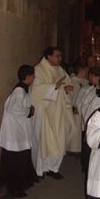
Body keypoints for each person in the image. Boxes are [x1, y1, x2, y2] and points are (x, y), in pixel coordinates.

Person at [30, 46, 77, 178]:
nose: (60, 58)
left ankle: (53, 168)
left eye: (60, 56)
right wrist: (55, 87)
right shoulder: (38, 70)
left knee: (59, 141)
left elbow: (67, 84)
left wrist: (66, 89)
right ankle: (40, 170)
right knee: (44, 142)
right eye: (57, 56)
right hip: (45, 112)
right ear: (48, 56)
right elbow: (35, 90)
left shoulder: (60, 69)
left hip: (60, 112)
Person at [0, 65, 37, 198]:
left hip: (19, 130)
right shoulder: (19, 91)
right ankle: (14, 188)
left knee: (22, 157)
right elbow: (14, 109)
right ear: (27, 77)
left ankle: (24, 181)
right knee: (16, 160)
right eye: (33, 75)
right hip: (15, 132)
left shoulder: (23, 89)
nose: (34, 78)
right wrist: (29, 111)